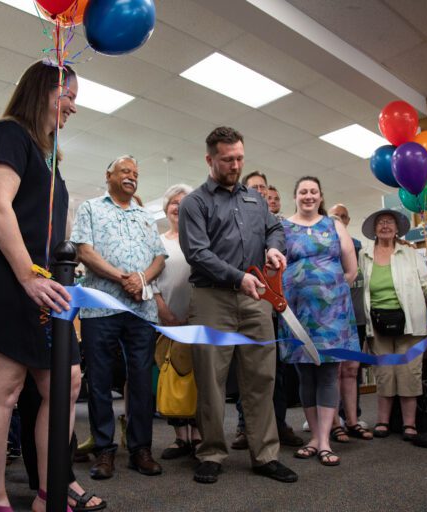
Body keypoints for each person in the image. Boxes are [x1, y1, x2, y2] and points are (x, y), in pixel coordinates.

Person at [0, 61, 102, 512]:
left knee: (66, 381)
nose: (73, 109)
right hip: (2, 278)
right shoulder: (7, 134)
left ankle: (49, 492)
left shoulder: (50, 159)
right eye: (70, 97)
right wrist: (27, 274)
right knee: (2, 390)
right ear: (47, 92)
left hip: (41, 286)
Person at [178, 126, 298, 485]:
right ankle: (212, 452)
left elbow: (274, 229)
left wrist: (275, 247)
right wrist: (237, 277)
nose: (235, 165)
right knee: (211, 380)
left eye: (240, 158)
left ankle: (265, 455)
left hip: (255, 297)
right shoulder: (194, 202)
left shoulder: (255, 199)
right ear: (209, 159)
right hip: (212, 297)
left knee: (262, 376)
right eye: (228, 159)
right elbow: (197, 254)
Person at [71, 156, 166, 480]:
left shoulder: (144, 215)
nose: (131, 177)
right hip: (100, 307)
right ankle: (103, 451)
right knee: (98, 380)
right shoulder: (91, 208)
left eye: (136, 173)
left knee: (140, 380)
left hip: (141, 309)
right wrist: (122, 276)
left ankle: (141, 449)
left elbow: (159, 257)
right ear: (108, 174)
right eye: (125, 171)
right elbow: (83, 250)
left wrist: (141, 279)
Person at [278, 177, 359, 467]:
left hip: (332, 315)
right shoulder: (283, 227)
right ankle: (314, 436)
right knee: (305, 375)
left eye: (313, 191)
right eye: (303, 192)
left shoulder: (334, 224)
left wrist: (329, 293)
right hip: (297, 315)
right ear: (296, 196)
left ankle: (324, 440)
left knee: (328, 374)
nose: (308, 196)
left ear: (320, 196)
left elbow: (351, 269)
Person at [358, 209, 427, 441]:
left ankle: (409, 424)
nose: (385, 226)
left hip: (409, 322)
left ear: (397, 228)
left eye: (389, 222)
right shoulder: (364, 254)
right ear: (374, 229)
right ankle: (382, 421)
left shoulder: (410, 253)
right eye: (380, 223)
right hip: (377, 324)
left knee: (409, 372)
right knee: (384, 373)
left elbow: (425, 280)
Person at [231, 172, 303, 450]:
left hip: (279, 307)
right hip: (248, 303)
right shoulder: (237, 221)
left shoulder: (279, 227)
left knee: (278, 371)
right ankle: (244, 426)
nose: (260, 192)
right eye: (255, 187)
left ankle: (280, 423)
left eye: (264, 187)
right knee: (247, 368)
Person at [152, 183, 202, 459]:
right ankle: (179, 438)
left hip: (197, 318)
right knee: (172, 374)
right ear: (166, 207)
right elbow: (152, 282)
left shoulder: (201, 239)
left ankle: (197, 435)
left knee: (196, 376)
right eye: (174, 202)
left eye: (185, 202)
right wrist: (166, 314)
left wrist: (195, 314)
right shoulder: (158, 241)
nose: (179, 207)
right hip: (166, 320)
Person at [327, 203, 373, 443]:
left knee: (352, 370)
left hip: (356, 319)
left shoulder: (358, 247)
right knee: (333, 371)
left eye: (343, 216)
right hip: (332, 319)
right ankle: (334, 423)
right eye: (334, 217)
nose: (339, 220)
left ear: (348, 220)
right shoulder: (324, 248)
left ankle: (352, 421)